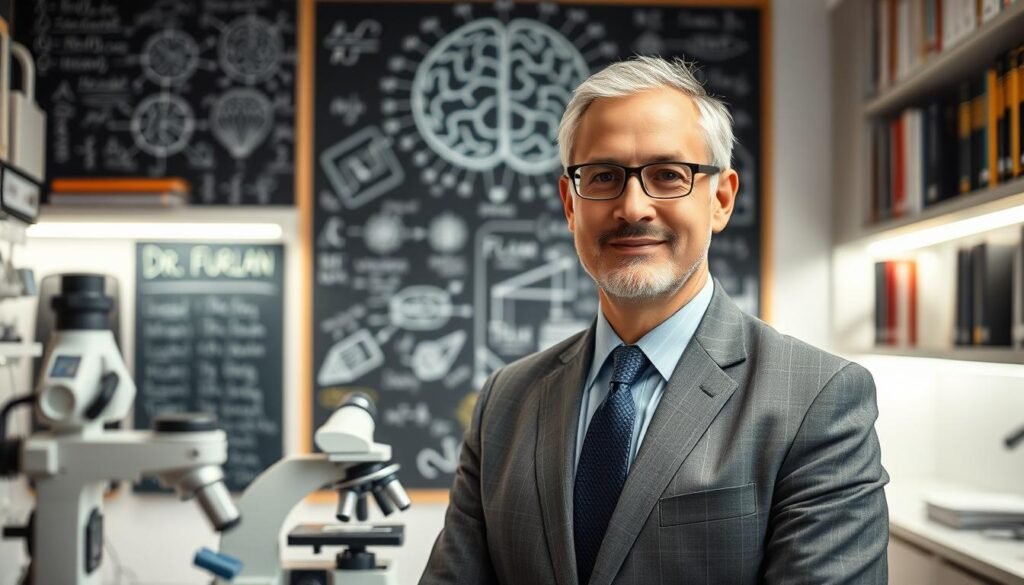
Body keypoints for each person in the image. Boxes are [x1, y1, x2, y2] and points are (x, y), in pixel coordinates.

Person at [420, 56, 888, 585]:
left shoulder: (818, 399)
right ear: (570, 204)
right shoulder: (506, 399)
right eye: (603, 176)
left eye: (668, 175)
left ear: (722, 199)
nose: (633, 207)